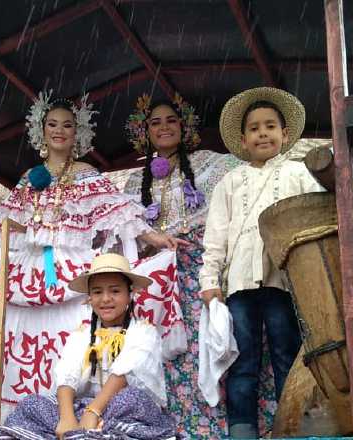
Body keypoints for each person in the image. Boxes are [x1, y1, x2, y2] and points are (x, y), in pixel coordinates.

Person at [0, 91, 183, 423]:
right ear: (41, 131)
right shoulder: (30, 178)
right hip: (28, 269)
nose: (59, 131)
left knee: (76, 338)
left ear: (77, 133)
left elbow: (119, 214)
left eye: (67, 125)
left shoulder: (86, 173)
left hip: (70, 268)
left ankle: (79, 411)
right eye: (52, 124)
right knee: (7, 329)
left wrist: (154, 237)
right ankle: (21, 418)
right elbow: (5, 223)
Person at [199, 87, 325, 438]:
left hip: (287, 282)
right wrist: (210, 283)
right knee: (242, 363)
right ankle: (243, 433)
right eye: (254, 128)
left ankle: (292, 429)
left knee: (289, 355)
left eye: (270, 126)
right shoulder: (230, 182)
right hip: (239, 284)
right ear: (243, 139)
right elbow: (216, 238)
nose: (262, 133)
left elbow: (314, 219)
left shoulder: (299, 174)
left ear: (285, 134)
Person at [124, 93, 242, 437]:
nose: (163, 127)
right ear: (144, 132)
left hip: (198, 273)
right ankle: (171, 429)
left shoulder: (210, 163)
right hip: (157, 281)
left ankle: (217, 428)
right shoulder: (134, 181)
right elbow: (124, 225)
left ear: (184, 127)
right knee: (162, 355)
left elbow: (244, 182)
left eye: (171, 120)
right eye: (155, 122)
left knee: (207, 346)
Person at [0, 253, 177, 440]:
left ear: (129, 294)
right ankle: (80, 433)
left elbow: (123, 373)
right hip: (83, 408)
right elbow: (66, 375)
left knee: (132, 398)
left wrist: (92, 412)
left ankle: (94, 431)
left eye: (115, 291)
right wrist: (67, 418)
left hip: (120, 409)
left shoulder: (143, 331)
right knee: (32, 403)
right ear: (89, 298)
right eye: (97, 292)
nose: (105, 299)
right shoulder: (82, 335)